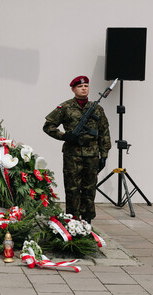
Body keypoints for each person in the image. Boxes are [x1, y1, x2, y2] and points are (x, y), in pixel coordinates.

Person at [43, 75, 111, 223]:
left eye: (86, 85)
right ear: (73, 89)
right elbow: (48, 126)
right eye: (80, 86)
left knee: (89, 189)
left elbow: (104, 132)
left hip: (92, 154)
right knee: (72, 189)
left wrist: (104, 154)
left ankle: (87, 221)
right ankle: (73, 221)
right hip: (72, 155)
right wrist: (65, 136)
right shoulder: (65, 107)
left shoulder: (97, 109)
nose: (84, 88)